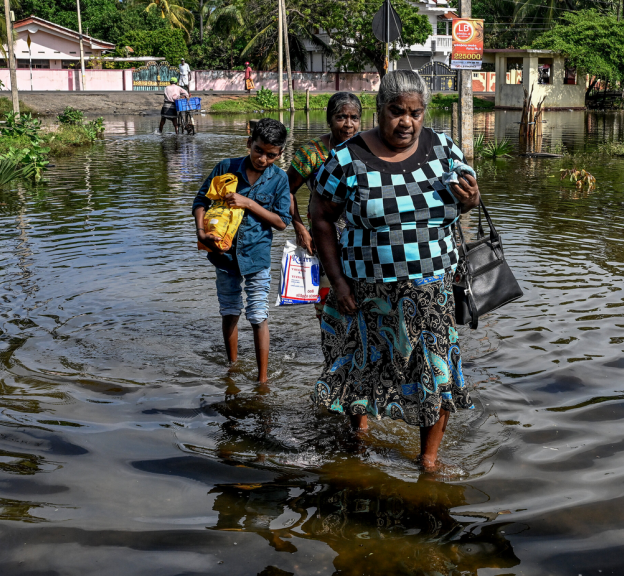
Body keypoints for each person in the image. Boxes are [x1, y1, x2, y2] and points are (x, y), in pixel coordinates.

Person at [310, 70, 481, 471]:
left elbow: (466, 200)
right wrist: (338, 282)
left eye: (415, 113)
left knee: (435, 371)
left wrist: (472, 199)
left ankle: (428, 462)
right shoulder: (348, 157)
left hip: (431, 289)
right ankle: (359, 437)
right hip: (366, 293)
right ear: (379, 109)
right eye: (397, 111)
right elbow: (320, 216)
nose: (406, 122)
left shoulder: (442, 147)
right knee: (360, 368)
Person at [193, 118, 292, 381]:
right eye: (258, 150)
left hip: (257, 255)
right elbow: (201, 200)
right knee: (229, 310)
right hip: (223, 254)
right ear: (249, 143)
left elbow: (282, 222)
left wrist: (248, 203)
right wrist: (201, 232)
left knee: (258, 315)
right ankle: (232, 367)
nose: (262, 159)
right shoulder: (226, 167)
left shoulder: (279, 179)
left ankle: (263, 379)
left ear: (280, 153)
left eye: (271, 155)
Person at [285, 91, 362, 254]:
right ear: (329, 120)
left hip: (360, 234)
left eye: (354, 118)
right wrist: (299, 228)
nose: (349, 124)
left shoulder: (366, 149)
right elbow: (286, 190)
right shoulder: (311, 153)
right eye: (341, 117)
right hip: (323, 232)